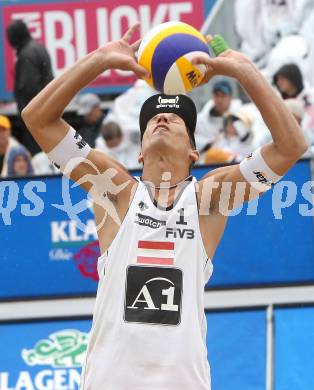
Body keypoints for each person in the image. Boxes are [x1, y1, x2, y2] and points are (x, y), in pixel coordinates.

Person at [21, 24, 307, 389]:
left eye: (177, 119)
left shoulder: (208, 199)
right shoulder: (116, 191)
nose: (162, 117)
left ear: (194, 151)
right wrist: (99, 60)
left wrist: (245, 73)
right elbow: (37, 118)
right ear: (139, 151)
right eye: (153, 117)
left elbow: (290, 147)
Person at [6, 19, 53, 155]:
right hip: (46, 108)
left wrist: (25, 111)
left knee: (37, 151)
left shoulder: (26, 54)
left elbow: (28, 87)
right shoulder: (38, 47)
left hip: (35, 114)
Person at [195, 79, 242, 154]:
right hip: (206, 163)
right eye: (217, 95)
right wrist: (209, 144)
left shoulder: (242, 117)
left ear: (230, 97)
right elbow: (192, 140)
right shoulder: (200, 120)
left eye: (223, 96)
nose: (219, 100)